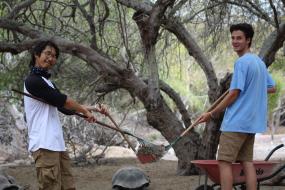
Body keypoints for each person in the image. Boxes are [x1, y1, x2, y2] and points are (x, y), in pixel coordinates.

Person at [197, 23, 276, 190]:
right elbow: (271, 87)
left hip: (236, 122)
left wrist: (211, 114)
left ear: (248, 40)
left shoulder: (241, 63)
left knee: (224, 162)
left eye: (239, 38)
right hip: (251, 124)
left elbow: (234, 94)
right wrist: (253, 87)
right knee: (247, 163)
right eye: (233, 38)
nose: (235, 41)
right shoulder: (259, 63)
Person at [24, 40, 106, 190]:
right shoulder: (32, 81)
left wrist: (93, 108)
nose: (51, 58)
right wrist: (85, 112)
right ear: (36, 55)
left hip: (57, 145)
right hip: (44, 145)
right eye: (47, 53)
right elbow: (64, 101)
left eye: (54, 56)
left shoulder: (47, 83)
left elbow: (65, 108)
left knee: (68, 187)